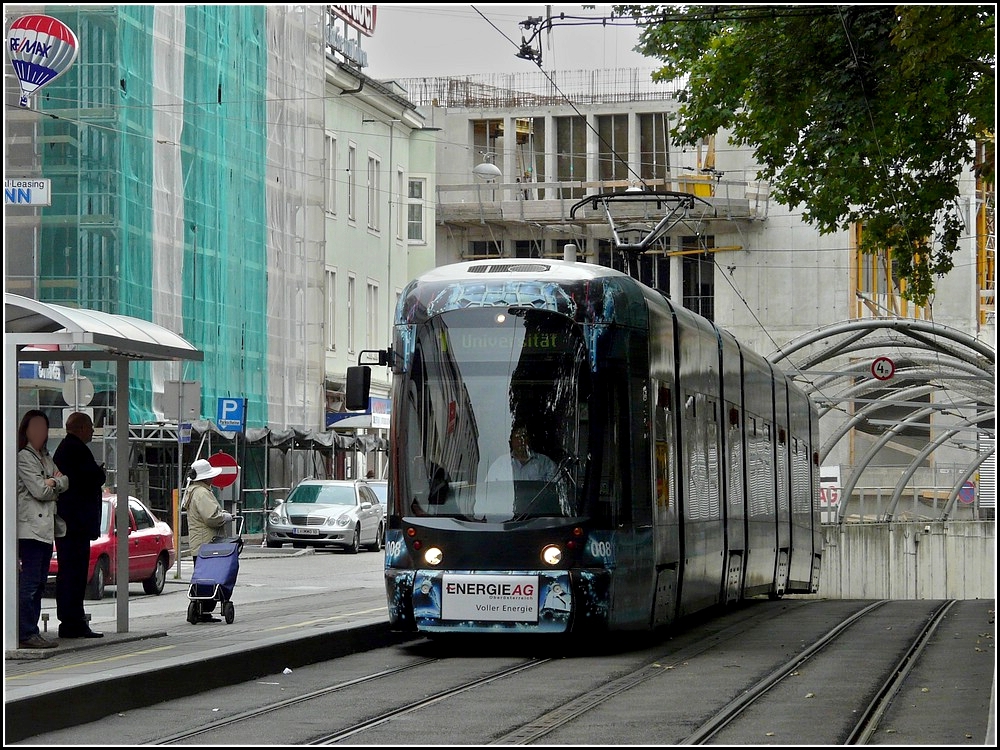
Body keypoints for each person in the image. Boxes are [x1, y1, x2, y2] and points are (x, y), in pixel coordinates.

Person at [16, 410, 69, 649]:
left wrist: (53, 481)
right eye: (35, 427)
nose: (40, 432)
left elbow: (64, 480)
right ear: (26, 430)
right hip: (30, 529)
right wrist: (52, 482)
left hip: (46, 528)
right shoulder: (24, 457)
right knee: (30, 582)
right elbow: (39, 490)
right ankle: (26, 631)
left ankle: (31, 630)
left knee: (39, 582)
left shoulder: (45, 456)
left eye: (44, 428)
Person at [52, 411, 107, 639]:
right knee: (74, 574)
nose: (93, 431)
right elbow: (92, 477)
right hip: (75, 525)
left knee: (71, 573)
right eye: (91, 427)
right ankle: (73, 622)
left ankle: (72, 620)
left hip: (71, 523)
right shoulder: (76, 450)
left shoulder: (66, 449)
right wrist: (99, 472)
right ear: (82, 428)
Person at [183, 458, 232, 558]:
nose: (212, 478)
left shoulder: (193, 491)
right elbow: (211, 517)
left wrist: (220, 513)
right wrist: (224, 517)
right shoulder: (202, 493)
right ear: (205, 478)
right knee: (212, 573)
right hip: (208, 545)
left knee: (202, 572)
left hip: (200, 545)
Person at [490, 424, 559, 482]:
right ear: (511, 441)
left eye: (523, 436)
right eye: (517, 437)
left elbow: (556, 490)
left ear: (529, 439)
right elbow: (489, 491)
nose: (521, 440)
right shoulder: (500, 465)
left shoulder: (545, 463)